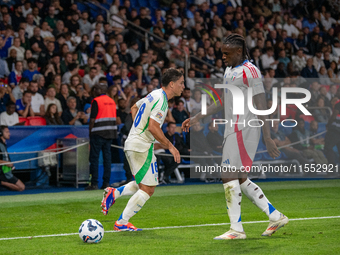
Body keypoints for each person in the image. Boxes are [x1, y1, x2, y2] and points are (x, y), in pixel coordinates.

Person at [182, 34, 288, 240]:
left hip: (245, 128)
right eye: (222, 53)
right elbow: (223, 99)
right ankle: (275, 216)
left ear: (239, 51)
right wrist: (198, 116)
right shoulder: (229, 70)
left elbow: (261, 104)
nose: (222, 56)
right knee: (239, 178)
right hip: (232, 128)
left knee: (227, 175)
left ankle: (236, 229)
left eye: (226, 53)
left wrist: (268, 137)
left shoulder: (251, 71)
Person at [101, 68, 183, 231]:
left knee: (144, 184)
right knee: (148, 189)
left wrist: (137, 130)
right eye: (181, 83)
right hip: (141, 146)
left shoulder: (153, 94)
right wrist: (171, 147)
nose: (183, 86)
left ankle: (114, 194)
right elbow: (153, 127)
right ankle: (122, 223)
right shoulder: (162, 101)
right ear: (172, 84)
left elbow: (133, 108)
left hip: (138, 144)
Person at [85, 85, 117, 190]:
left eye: (96, 89)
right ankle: (106, 183)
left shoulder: (96, 101)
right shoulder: (112, 101)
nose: (94, 91)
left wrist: (90, 132)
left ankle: (94, 183)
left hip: (98, 133)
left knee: (94, 158)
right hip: (110, 133)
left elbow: (93, 118)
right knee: (107, 159)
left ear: (101, 90)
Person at [0, 125, 25, 191]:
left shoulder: (3, 144)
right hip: (2, 172)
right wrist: (7, 163)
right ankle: (2, 182)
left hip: (7, 171)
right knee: (21, 188)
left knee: (22, 187)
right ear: (1, 133)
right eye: (7, 132)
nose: (9, 134)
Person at [324, 98, 340, 165]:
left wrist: (328, 125)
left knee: (328, 147)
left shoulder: (338, 104)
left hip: (335, 130)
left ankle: (332, 170)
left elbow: (334, 116)